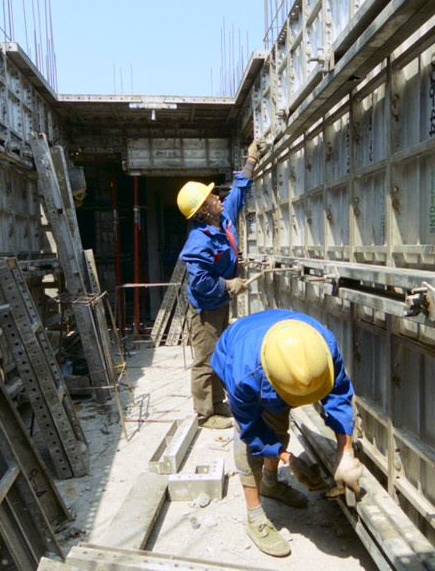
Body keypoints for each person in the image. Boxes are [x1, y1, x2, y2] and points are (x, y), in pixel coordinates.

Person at [211, 309, 363, 557]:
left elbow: (338, 394)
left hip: (268, 356)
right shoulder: (243, 375)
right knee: (248, 443)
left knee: (278, 423)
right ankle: (254, 516)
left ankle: (270, 485)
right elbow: (251, 429)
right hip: (238, 353)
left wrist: (345, 450)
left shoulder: (324, 345)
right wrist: (288, 458)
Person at [177, 140, 263, 429]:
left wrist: (251, 160)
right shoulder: (198, 242)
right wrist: (228, 285)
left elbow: (238, 191)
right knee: (205, 360)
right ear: (204, 210)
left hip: (219, 303)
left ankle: (216, 402)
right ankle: (205, 414)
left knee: (218, 354)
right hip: (205, 309)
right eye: (211, 196)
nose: (216, 196)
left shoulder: (223, 217)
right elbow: (201, 282)